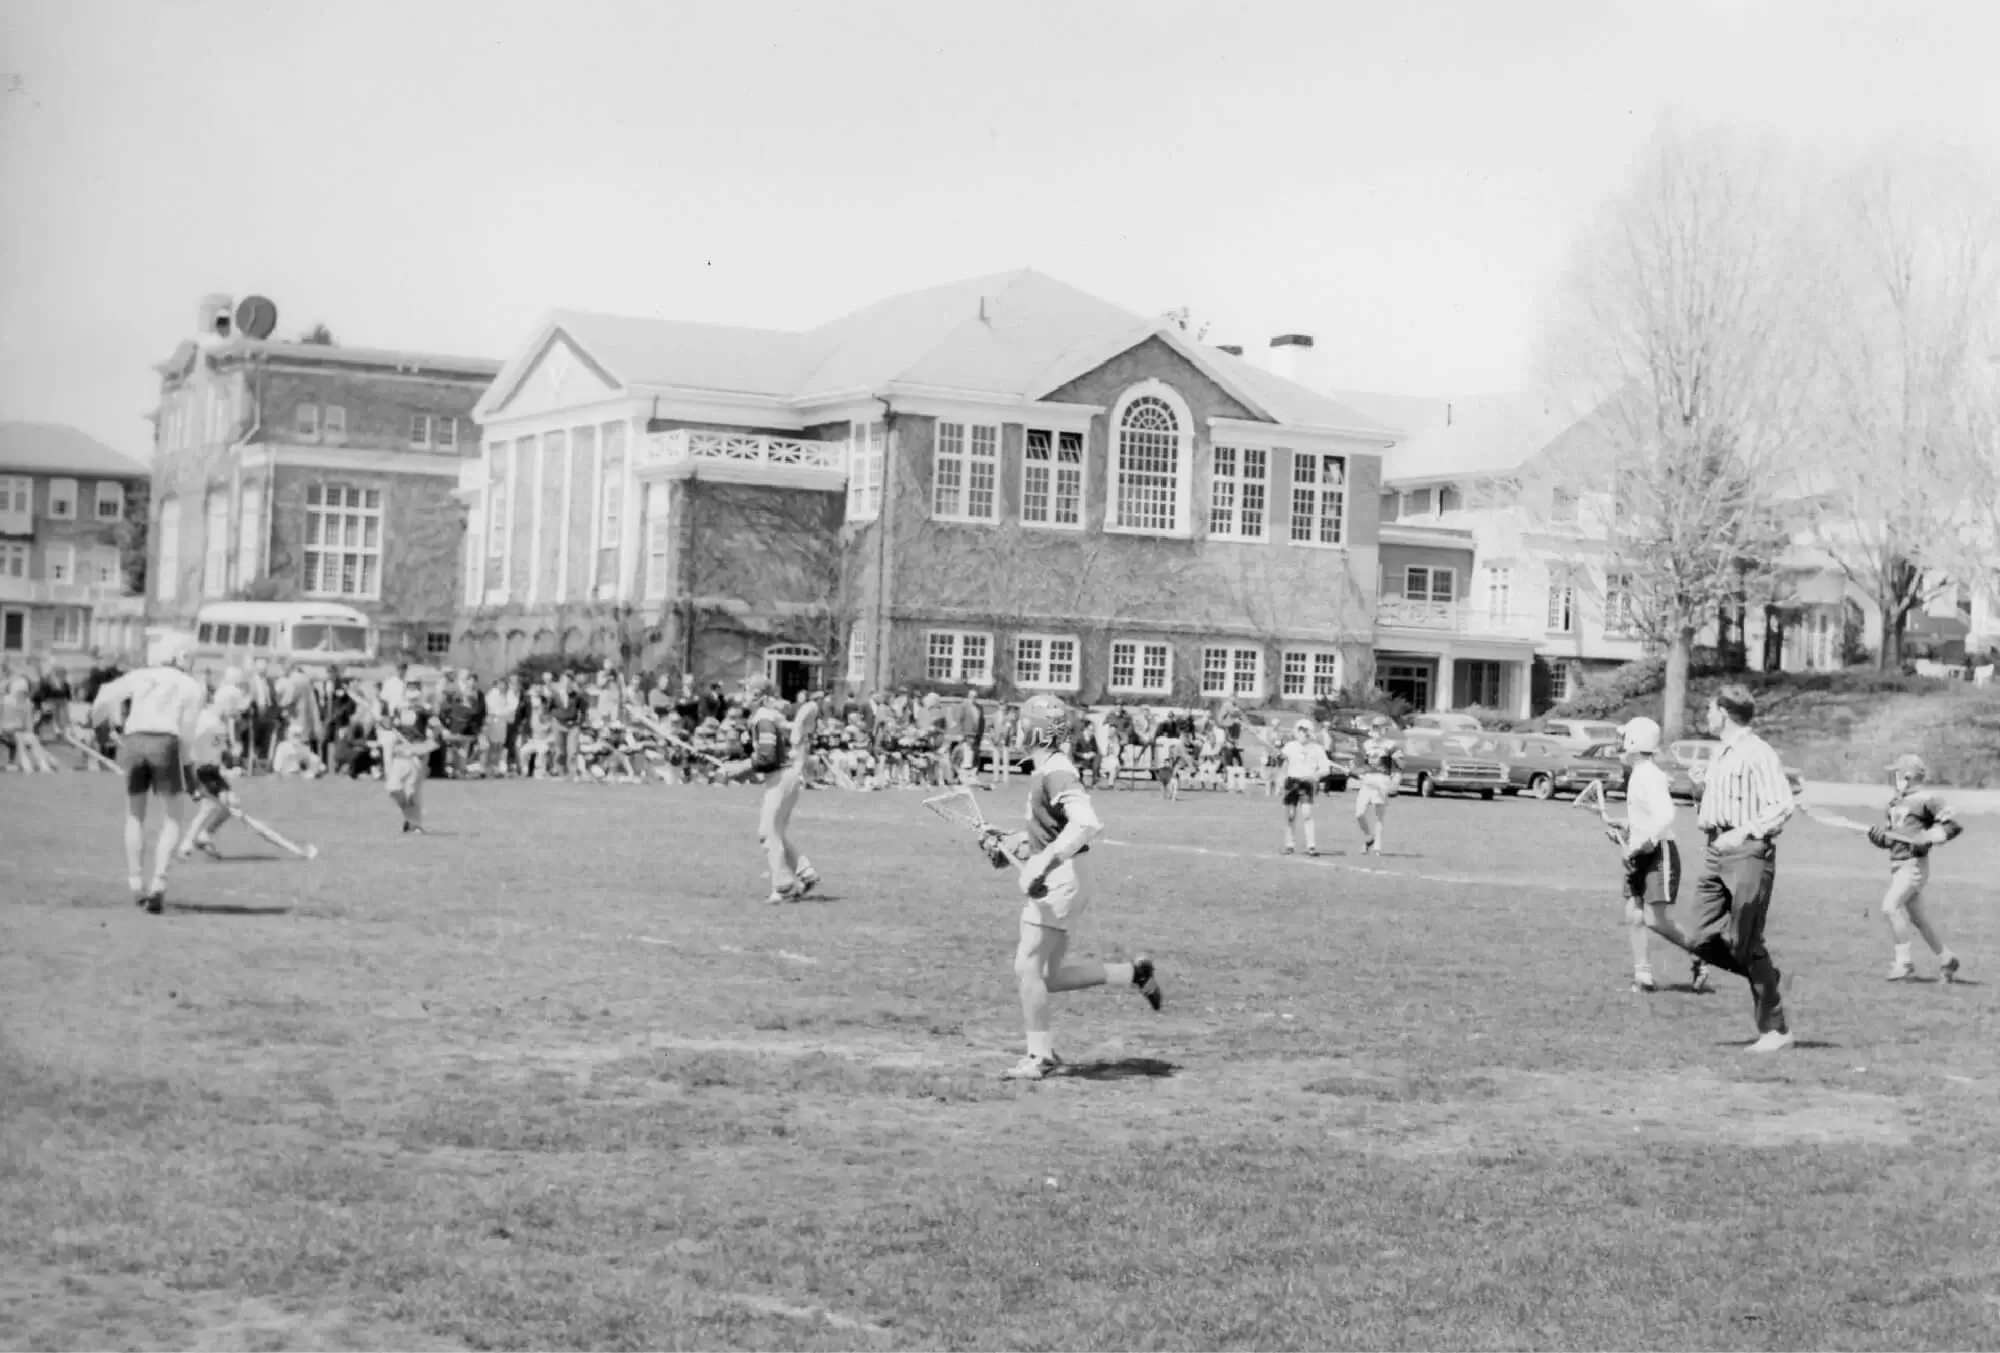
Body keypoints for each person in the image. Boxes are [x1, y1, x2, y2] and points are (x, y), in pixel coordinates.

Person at [995, 694, 1162, 1081]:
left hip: (1062, 878)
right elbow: (1051, 829)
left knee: (1027, 967)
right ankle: (1132, 974)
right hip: (1070, 875)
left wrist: (1044, 862)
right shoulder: (1047, 769)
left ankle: (1040, 1057)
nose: (1016, 729)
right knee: (1047, 976)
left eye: (1022, 722)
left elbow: (1086, 823)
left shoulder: (1056, 771)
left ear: (1036, 729)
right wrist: (1013, 842)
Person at [1689, 684, 1797, 1053]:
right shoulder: (1722, 753)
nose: (1706, 715)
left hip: (1748, 852)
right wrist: (1704, 787)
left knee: (1745, 942)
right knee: (1699, 938)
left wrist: (1741, 834)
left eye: (1710, 709)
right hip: (1715, 852)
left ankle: (1776, 1031)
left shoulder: (1757, 752)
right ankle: (1763, 974)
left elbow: (1781, 806)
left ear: (1724, 711)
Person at [90, 633, 208, 913]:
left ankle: (135, 883)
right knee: (174, 817)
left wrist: (102, 732)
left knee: (135, 815)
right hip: (165, 743)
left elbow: (103, 697)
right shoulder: (192, 687)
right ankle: (158, 884)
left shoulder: (140, 676)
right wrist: (191, 776)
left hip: (133, 742)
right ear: (180, 656)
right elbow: (187, 739)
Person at [1616, 716, 1708, 994]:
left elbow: (1666, 815)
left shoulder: (1649, 775)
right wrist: (1627, 828)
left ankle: (1702, 953)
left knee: (1654, 919)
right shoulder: (1639, 773)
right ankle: (1643, 976)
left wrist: (1643, 842)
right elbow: (1647, 816)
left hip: (1659, 853)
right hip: (1641, 851)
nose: (1620, 743)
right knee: (1634, 913)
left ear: (1634, 742)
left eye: (1624, 738)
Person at [1871, 753, 1965, 983]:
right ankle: (1946, 958)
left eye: (1896, 773)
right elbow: (1891, 839)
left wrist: (1929, 837)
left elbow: (1952, 825)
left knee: (1889, 906)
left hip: (1913, 866)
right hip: (1897, 866)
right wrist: (1879, 838)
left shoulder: (1927, 799)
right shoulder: (1894, 803)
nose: (1892, 778)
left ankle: (1904, 963)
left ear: (1908, 776)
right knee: (1919, 919)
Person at [380, 701, 439, 833]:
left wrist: (424, 747)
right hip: (401, 753)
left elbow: (436, 729)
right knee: (392, 788)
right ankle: (410, 818)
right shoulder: (399, 708)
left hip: (418, 753)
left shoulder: (425, 709)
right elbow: (388, 724)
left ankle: (414, 823)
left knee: (412, 791)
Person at [1277, 719, 1331, 856]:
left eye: (1305, 730)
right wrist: (1278, 757)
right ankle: (1290, 845)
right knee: (1290, 815)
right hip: (1292, 782)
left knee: (1307, 814)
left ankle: (1311, 846)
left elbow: (1325, 769)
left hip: (1306, 784)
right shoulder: (1290, 746)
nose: (1302, 733)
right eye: (1300, 730)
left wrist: (1315, 776)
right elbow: (1281, 760)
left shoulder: (1316, 749)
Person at [1354, 730, 1399, 855]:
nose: (1376, 731)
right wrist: (1356, 771)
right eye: (1374, 728)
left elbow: (1401, 763)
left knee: (1379, 815)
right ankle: (1369, 838)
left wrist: (1394, 780)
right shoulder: (1366, 745)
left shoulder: (1391, 745)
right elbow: (1359, 763)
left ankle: (1377, 845)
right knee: (1359, 814)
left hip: (1381, 780)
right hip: (1367, 780)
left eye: (1379, 728)